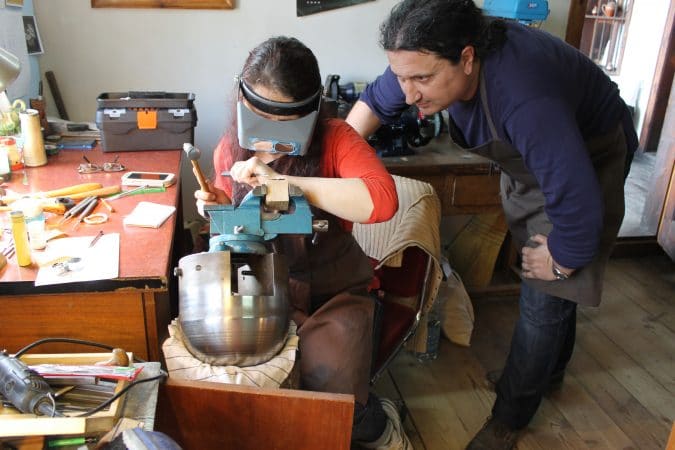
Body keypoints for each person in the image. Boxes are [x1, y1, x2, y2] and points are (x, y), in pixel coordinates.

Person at [345, 1, 638, 448]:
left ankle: (509, 418)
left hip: (589, 158)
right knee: (555, 292)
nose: (410, 94)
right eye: (402, 77)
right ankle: (549, 372)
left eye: (422, 80)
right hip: (545, 160)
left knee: (546, 291)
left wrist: (561, 261)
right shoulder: (424, 53)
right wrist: (338, 159)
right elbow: (375, 102)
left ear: (467, 58)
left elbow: (577, 205)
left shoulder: (525, 96)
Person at [194, 36, 412, 449]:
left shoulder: (336, 138)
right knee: (251, 386)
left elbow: (382, 201)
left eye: (286, 122)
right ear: (241, 100)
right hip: (266, 290)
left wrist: (287, 182)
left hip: (336, 296)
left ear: (311, 113)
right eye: (258, 117)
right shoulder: (228, 150)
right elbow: (233, 238)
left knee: (337, 394)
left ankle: (377, 426)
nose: (267, 134)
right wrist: (221, 209)